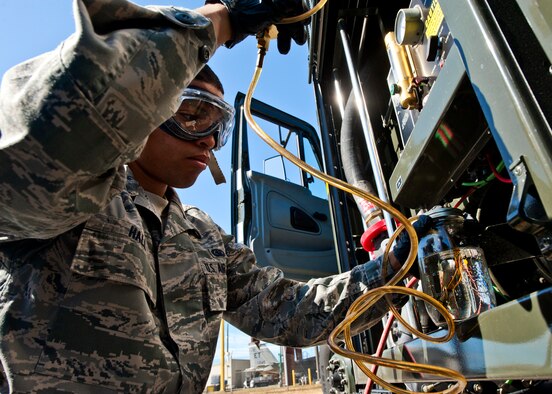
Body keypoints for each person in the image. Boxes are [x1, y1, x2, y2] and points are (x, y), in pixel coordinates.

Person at [0, 0, 432, 392]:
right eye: (191, 116)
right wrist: (221, 20)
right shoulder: (71, 197)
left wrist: (397, 267)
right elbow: (71, 110)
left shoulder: (204, 240)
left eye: (219, 126)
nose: (208, 141)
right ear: (147, 111)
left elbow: (291, 311)